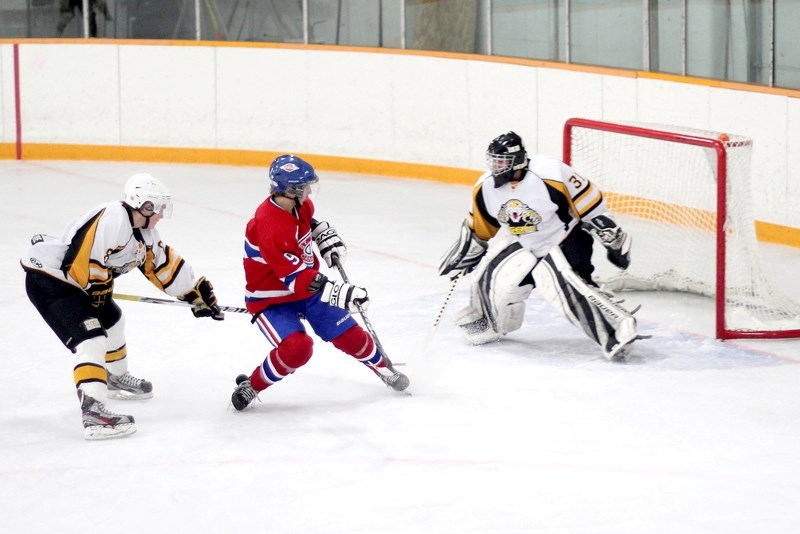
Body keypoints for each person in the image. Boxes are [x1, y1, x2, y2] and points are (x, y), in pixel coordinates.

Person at [21, 172, 224, 440]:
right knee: (91, 339)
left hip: (82, 285)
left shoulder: (145, 232)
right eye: (158, 208)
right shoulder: (112, 218)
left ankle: (115, 376)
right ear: (144, 205)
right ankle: (93, 411)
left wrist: (195, 292)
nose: (162, 214)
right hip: (52, 282)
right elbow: (82, 260)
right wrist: (97, 289)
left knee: (114, 322)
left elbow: (161, 265)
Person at [439, 131, 645, 360]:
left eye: (502, 161)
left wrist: (612, 240)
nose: (496, 167)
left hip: (567, 241)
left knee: (567, 289)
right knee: (488, 276)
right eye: (493, 161)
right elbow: (480, 227)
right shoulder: (485, 187)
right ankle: (486, 321)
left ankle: (617, 328)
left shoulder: (551, 173)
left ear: (518, 160)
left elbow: (592, 207)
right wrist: (467, 255)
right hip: (527, 244)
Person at [230, 154, 409, 410]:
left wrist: (320, 233)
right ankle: (252, 385)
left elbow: (305, 225)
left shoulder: (300, 206)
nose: (310, 190)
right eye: (304, 187)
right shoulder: (268, 226)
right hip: (271, 299)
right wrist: (337, 292)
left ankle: (383, 368)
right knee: (298, 349)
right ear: (290, 191)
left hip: (306, 289)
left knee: (347, 331)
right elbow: (295, 278)